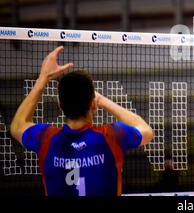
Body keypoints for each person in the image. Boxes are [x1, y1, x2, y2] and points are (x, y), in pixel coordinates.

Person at [10, 46, 153, 196]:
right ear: (93, 104)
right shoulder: (112, 135)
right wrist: (102, 100)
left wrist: (43, 78)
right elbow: (147, 131)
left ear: (60, 105)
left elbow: (17, 126)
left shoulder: (45, 137)